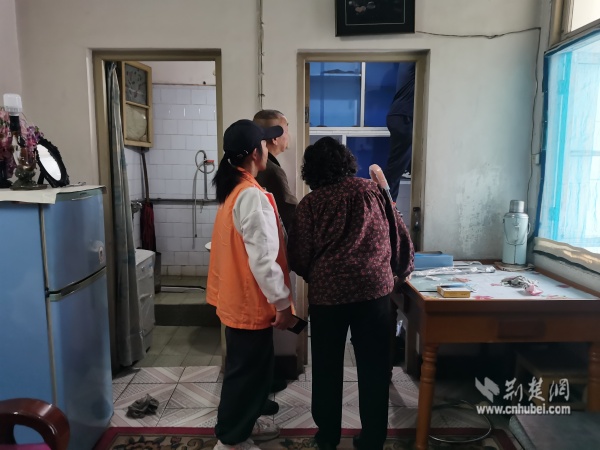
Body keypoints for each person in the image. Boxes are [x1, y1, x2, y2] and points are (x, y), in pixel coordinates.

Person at [287, 137, 414, 450]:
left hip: (328, 298)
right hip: (374, 293)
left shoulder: (310, 205)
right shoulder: (372, 191)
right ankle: (372, 439)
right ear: (347, 162)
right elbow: (397, 231)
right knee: (374, 368)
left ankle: (327, 437)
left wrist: (317, 274)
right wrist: (400, 269)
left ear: (311, 170)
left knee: (326, 369)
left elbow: (298, 256)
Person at [207, 119, 296, 450]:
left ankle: (242, 424)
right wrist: (283, 304)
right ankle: (231, 440)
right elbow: (263, 261)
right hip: (249, 304)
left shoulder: (234, 191)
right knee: (244, 376)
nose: (268, 149)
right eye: (264, 144)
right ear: (257, 154)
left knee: (247, 372)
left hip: (236, 301)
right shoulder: (251, 197)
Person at [253, 109, 298, 231]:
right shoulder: (271, 171)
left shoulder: (249, 163)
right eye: (286, 131)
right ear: (275, 138)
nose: (288, 136)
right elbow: (288, 212)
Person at [383, 62, 415, 202]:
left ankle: (408, 168)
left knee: (400, 163)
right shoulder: (414, 61)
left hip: (400, 115)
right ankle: (388, 205)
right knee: (396, 166)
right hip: (404, 116)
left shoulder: (406, 62)